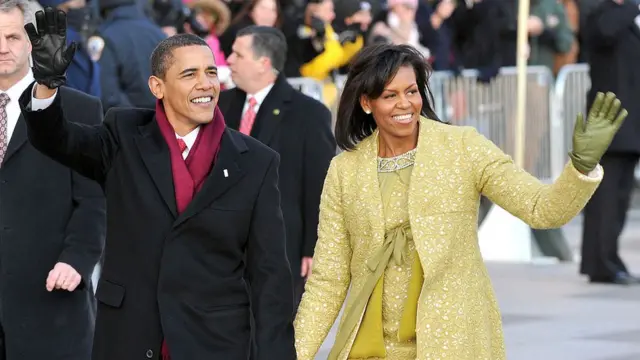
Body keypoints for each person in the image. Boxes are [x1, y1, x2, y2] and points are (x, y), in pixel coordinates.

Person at [293, 43, 626, 359]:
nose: (405, 104)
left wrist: (580, 168)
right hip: (372, 345)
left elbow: (542, 210)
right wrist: (292, 352)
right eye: (390, 95)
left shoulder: (463, 147)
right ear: (367, 103)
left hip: (453, 339)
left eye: (411, 92)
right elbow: (328, 279)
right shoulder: (345, 170)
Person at [19, 8, 296, 360]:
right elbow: (56, 139)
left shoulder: (256, 162)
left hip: (214, 342)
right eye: (189, 74)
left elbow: (270, 275)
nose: (205, 84)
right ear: (157, 86)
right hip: (130, 336)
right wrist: (45, 85)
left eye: (211, 72)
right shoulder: (122, 135)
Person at [0, 1, 106, 359]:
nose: (2, 47)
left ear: (33, 40)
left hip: (49, 301)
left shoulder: (79, 109)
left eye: (13, 36)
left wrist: (76, 260)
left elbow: (94, 200)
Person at [219, 25, 336, 308]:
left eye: (238, 54)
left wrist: (313, 247)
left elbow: (318, 186)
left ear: (264, 63)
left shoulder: (307, 113)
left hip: (281, 249)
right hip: (224, 249)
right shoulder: (221, 106)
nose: (229, 60)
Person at [579, 0, 640, 285]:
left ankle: (610, 258)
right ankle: (600, 262)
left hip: (630, 124)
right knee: (604, 198)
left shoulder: (627, 18)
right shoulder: (597, 13)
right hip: (609, 121)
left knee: (620, 197)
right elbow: (605, 32)